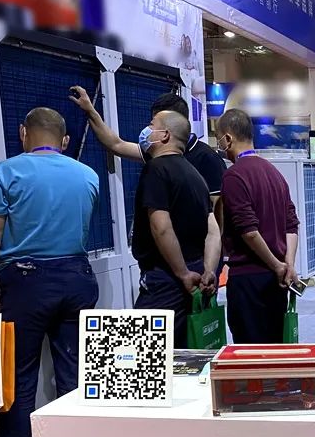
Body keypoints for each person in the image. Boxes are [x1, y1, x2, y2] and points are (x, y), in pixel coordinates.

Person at [0, 108, 99, 437]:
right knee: (75, 367)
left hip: (26, 281)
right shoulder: (87, 175)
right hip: (77, 276)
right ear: (65, 140)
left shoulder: (8, 171)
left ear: (23, 132)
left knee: (18, 369)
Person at [132, 111, 221, 347]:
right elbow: (213, 230)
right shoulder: (196, 176)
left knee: (147, 353)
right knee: (184, 351)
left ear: (165, 135)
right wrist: (209, 269)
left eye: (152, 125)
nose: (147, 130)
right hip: (196, 273)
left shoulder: (156, 170)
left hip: (166, 277)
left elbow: (161, 227)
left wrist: (181, 273)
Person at [217, 109, 300, 344]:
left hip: (249, 280)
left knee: (250, 352)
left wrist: (277, 265)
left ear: (228, 138)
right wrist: (287, 264)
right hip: (277, 280)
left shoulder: (234, 176)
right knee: (275, 347)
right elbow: (291, 224)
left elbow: (249, 231)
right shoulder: (274, 173)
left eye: (219, 138)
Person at [70, 87, 224, 208]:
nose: (149, 129)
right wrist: (90, 110)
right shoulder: (156, 153)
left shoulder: (207, 158)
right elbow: (116, 145)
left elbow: (217, 209)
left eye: (154, 124)